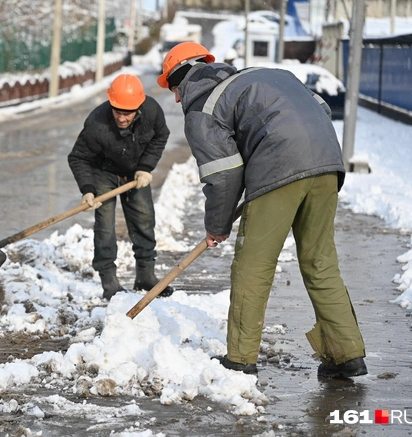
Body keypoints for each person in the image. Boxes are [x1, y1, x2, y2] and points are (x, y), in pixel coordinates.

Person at [156, 42, 367, 379]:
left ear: (182, 81)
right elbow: (320, 108)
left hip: (280, 167)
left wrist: (217, 226)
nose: (177, 99)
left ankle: (240, 359)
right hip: (328, 162)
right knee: (321, 263)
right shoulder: (258, 79)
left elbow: (223, 175)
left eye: (173, 88)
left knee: (253, 266)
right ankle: (348, 354)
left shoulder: (203, 108)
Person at [68, 74, 173, 301]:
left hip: (135, 173)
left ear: (139, 106)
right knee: (105, 225)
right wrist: (87, 189)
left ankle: (146, 275)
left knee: (144, 218)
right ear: (111, 104)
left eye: (128, 112)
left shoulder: (152, 112)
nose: (122, 118)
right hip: (103, 172)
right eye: (118, 111)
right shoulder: (97, 122)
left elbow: (161, 136)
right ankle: (109, 282)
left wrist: (146, 167)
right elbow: (78, 157)